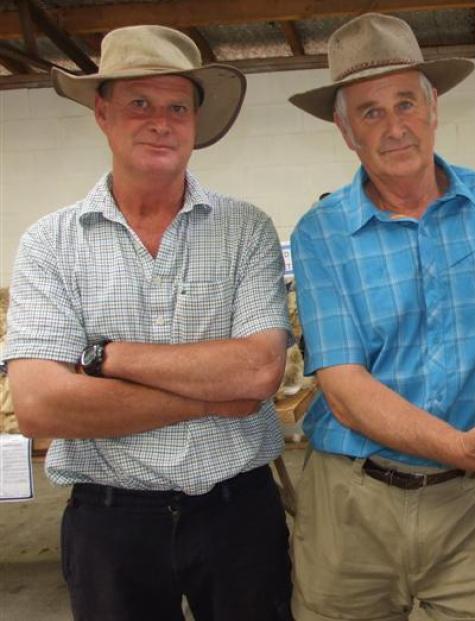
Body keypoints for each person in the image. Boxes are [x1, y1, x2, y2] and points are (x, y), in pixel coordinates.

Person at [288, 12, 475, 621]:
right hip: (352, 504)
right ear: (345, 131)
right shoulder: (322, 235)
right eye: (371, 112)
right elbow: (345, 391)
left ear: (433, 107)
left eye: (407, 103)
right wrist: (460, 446)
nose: (395, 126)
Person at [3, 25, 292, 621]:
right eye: (140, 103)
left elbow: (260, 370)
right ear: (102, 114)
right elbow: (40, 405)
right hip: (110, 524)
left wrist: (105, 357)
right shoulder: (51, 244)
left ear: (195, 123)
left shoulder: (246, 230)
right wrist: (211, 398)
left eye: (177, 107)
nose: (160, 121)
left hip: (238, 515)